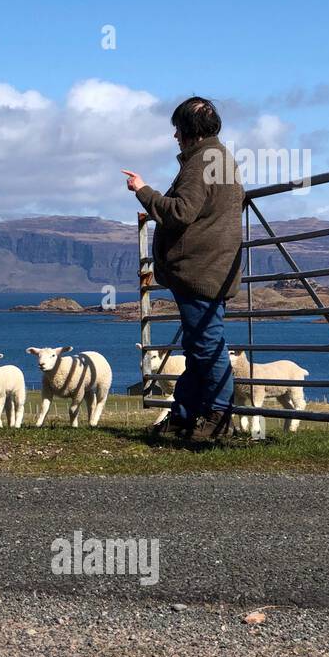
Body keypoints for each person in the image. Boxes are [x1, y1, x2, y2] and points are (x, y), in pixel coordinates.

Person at [122, 97, 243, 443]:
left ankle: (219, 417)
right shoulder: (222, 159)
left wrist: (143, 191)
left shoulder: (203, 161)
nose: (175, 135)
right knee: (198, 344)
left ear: (188, 130)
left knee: (207, 345)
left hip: (200, 271)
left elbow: (181, 211)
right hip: (216, 267)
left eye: (178, 128)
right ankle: (186, 413)